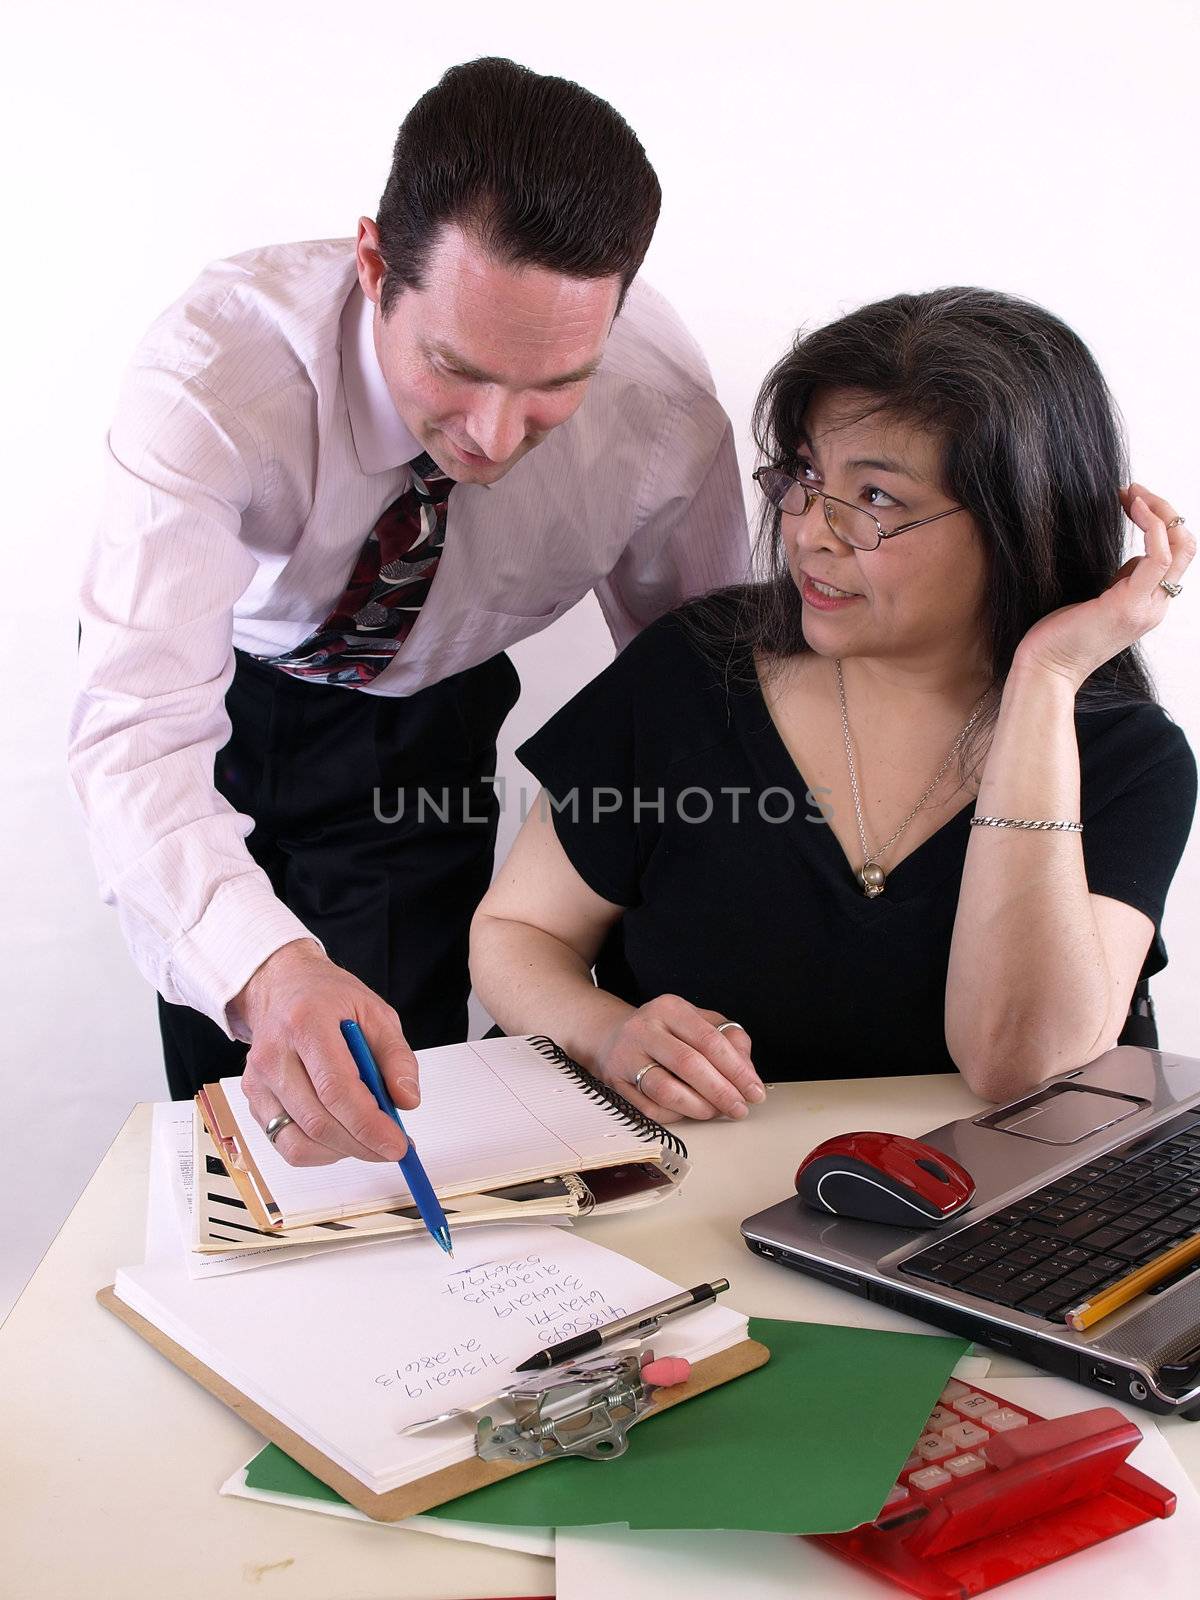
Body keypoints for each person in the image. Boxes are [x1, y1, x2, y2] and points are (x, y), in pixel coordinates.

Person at [67, 58, 748, 1164]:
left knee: (391, 1111)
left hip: (421, 717)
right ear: (375, 261)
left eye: (551, 389)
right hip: (222, 690)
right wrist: (265, 970)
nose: (489, 435)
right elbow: (138, 734)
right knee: (234, 1121)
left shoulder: (662, 411)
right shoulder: (214, 379)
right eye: (455, 368)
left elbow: (705, 694)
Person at [470, 287, 1196, 1118]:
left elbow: (1023, 1070)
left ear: (1016, 525)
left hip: (964, 1230)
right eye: (807, 475)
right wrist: (605, 1033)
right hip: (680, 1200)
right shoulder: (694, 672)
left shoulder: (1126, 760)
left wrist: (1045, 680)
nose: (810, 529)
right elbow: (518, 934)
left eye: (875, 497)